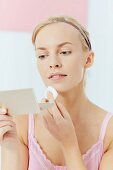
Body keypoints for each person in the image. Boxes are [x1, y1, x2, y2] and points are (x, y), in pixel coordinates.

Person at [0, 15, 113, 170]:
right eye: (42, 55)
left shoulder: (109, 132)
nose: (53, 63)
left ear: (88, 59)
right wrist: (10, 147)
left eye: (65, 52)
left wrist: (69, 144)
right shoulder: (22, 123)